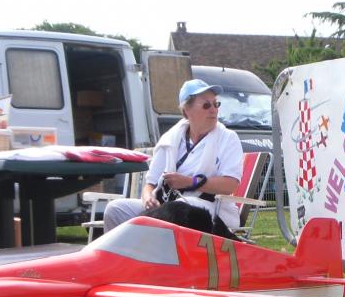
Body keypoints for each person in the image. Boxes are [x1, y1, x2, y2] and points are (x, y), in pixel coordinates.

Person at [102, 78, 245, 239]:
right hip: (167, 207)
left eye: (215, 104)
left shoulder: (228, 138)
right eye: (206, 105)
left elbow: (230, 185)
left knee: (180, 208)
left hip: (211, 209)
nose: (213, 110)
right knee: (115, 209)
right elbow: (150, 184)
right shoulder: (169, 139)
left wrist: (189, 182)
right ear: (186, 111)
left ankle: (153, 253)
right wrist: (148, 198)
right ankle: (122, 260)